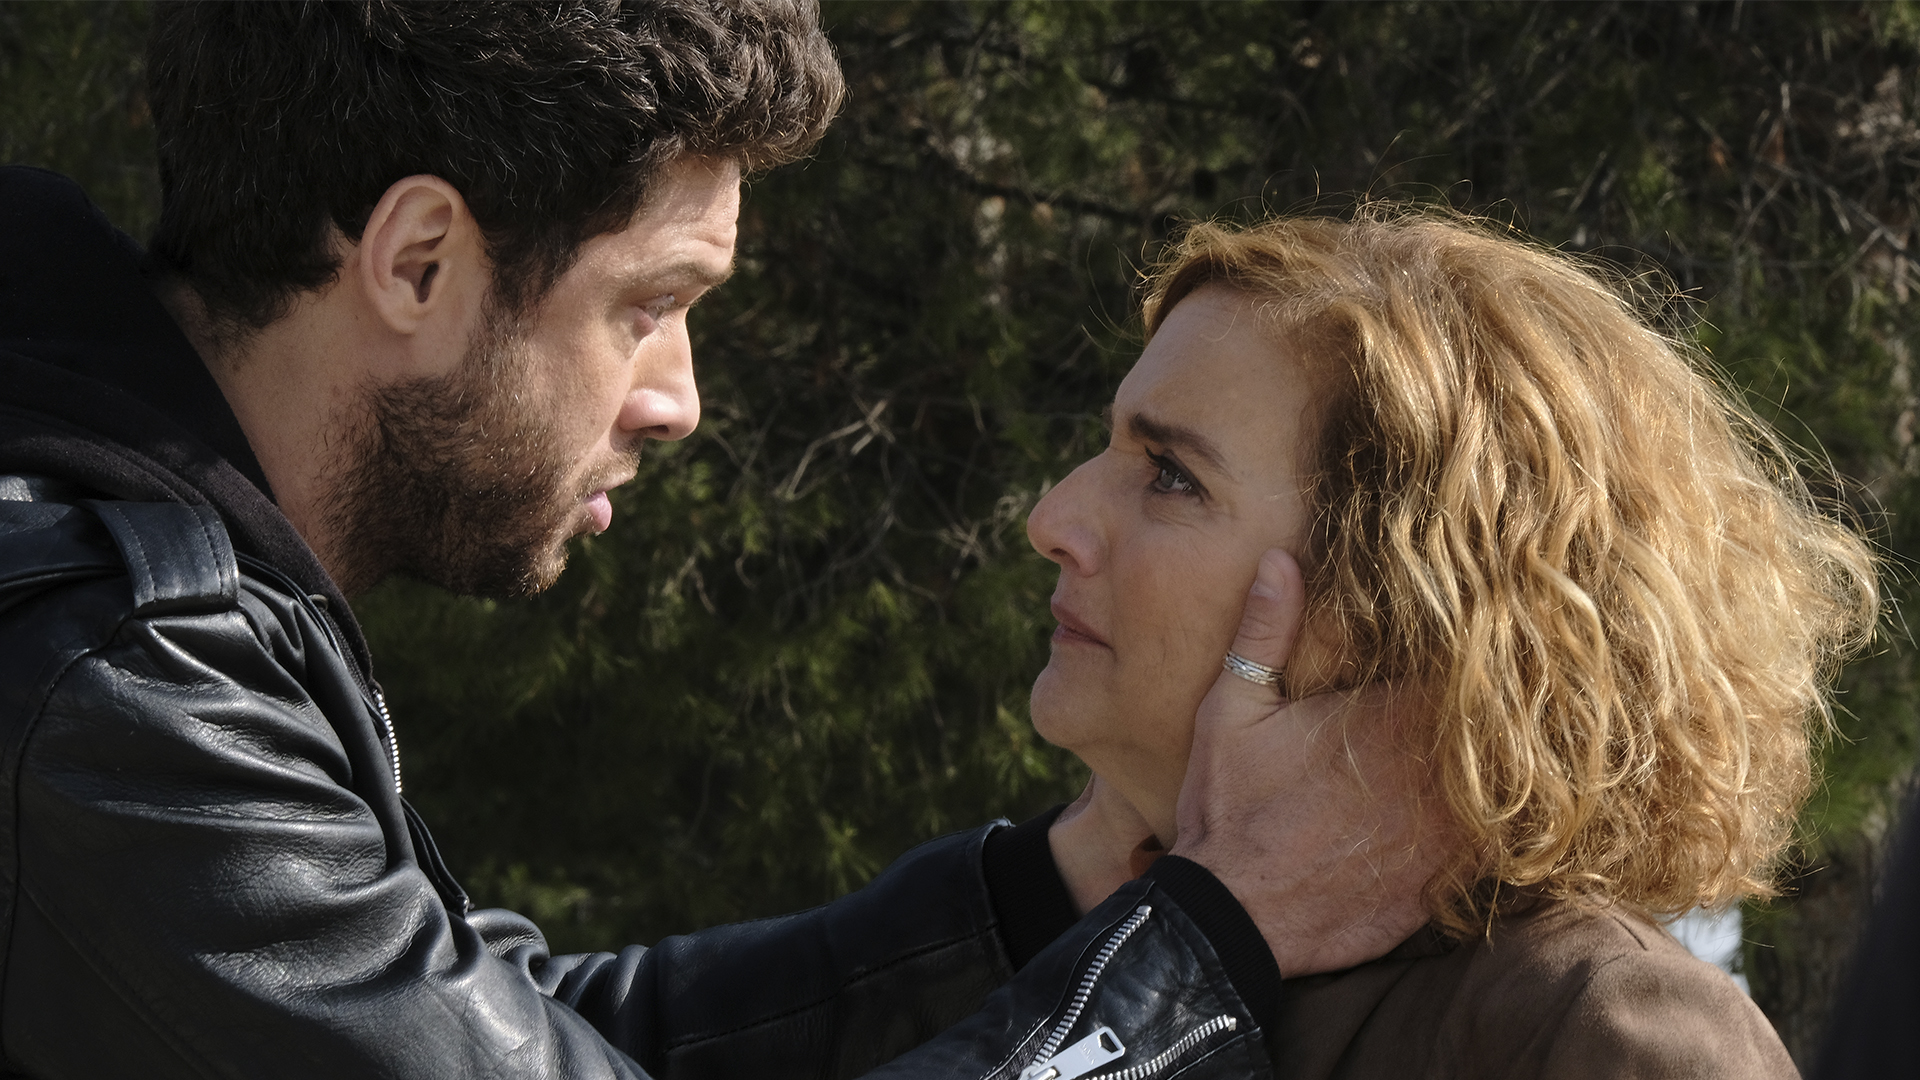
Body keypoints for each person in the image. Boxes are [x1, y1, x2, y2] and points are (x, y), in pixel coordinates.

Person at [0, 3, 1437, 1076]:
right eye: (650, 304)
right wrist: (1201, 953)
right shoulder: (104, 680)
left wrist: (1047, 897)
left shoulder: (111, 587)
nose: (678, 399)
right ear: (417, 261)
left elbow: (511, 1038)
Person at [1026, 210, 1881, 1077]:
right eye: (1112, 447)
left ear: (1401, 599)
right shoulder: (1068, 921)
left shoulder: (1597, 1029)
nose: (1052, 520)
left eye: (1171, 475)